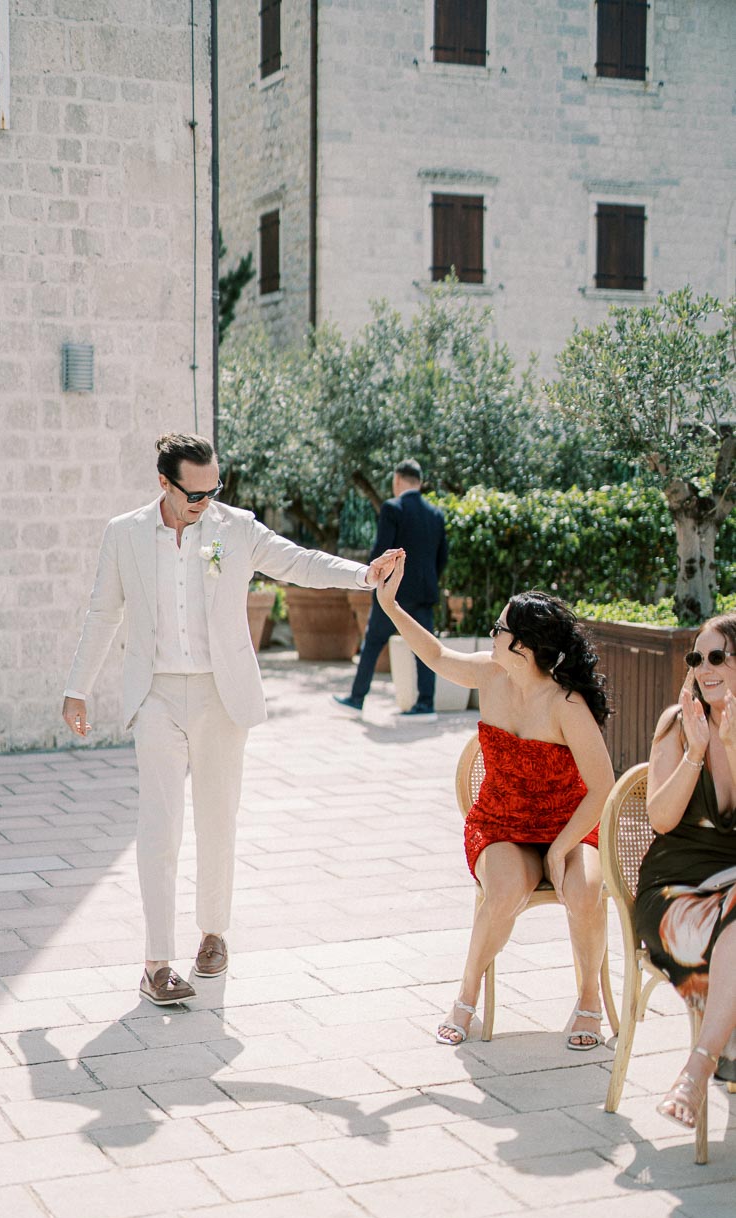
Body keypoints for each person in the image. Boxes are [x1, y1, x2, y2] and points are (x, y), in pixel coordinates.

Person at [62, 433, 400, 1007]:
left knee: (218, 819)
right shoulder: (124, 534)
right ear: (164, 484)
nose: (206, 501)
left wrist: (363, 575)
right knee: (158, 827)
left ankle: (213, 934)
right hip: (157, 696)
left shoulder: (235, 527)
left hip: (222, 695)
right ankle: (156, 962)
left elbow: (298, 562)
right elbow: (103, 611)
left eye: (214, 488)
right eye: (194, 494)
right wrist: (78, 688)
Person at [377, 560, 615, 1049]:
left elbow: (602, 787)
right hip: (501, 823)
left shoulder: (567, 703)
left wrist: (560, 847)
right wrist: (390, 606)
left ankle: (589, 999)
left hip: (568, 824)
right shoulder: (490, 676)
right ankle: (466, 994)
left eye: (498, 628)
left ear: (522, 647)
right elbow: (439, 655)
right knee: (504, 893)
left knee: (586, 891)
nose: (492, 634)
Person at [634, 612, 736, 1129]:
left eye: (717, 656)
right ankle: (705, 1066)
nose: (704, 667)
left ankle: (699, 1068)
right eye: (697, 657)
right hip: (675, 892)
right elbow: (660, 817)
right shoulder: (677, 722)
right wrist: (697, 752)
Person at [333, 459, 448, 717]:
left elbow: (381, 551)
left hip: (393, 593)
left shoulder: (392, 508)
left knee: (373, 644)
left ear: (397, 480)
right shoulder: (436, 514)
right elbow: (442, 557)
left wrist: (377, 580)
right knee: (426, 649)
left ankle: (356, 698)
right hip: (424, 594)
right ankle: (426, 704)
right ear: (419, 482)